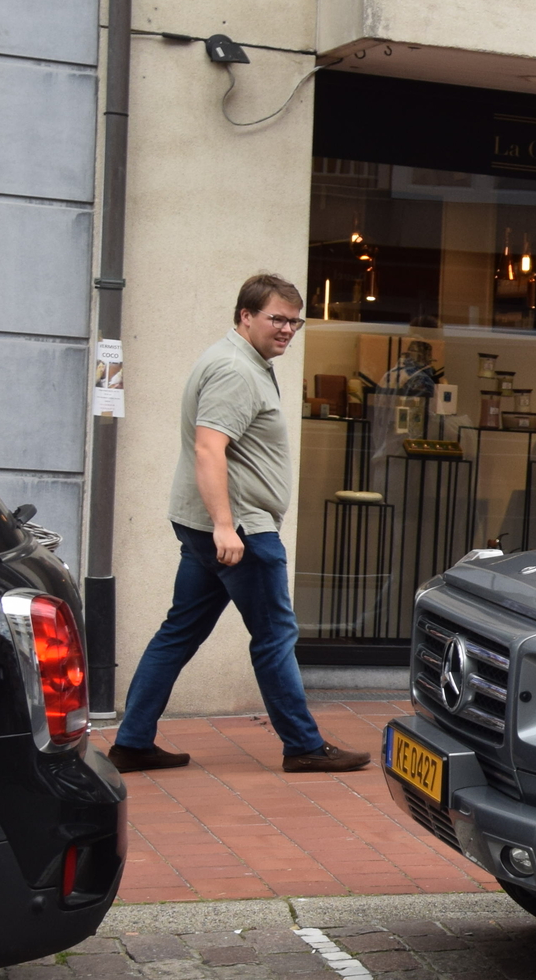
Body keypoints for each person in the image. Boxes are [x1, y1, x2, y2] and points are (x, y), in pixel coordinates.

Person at [106, 274, 370, 774]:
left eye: (295, 321)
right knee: (274, 637)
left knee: (179, 632)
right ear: (245, 315)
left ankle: (133, 742)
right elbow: (210, 446)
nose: (288, 329)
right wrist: (227, 526)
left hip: (212, 526)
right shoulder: (235, 370)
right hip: (240, 530)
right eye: (277, 318)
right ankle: (304, 746)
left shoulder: (243, 360)